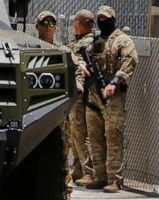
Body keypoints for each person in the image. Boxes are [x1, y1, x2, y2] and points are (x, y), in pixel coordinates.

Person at [84, 5, 138, 192]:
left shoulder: (122, 40)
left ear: (113, 19)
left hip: (112, 97)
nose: (102, 21)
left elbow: (129, 61)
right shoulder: (95, 41)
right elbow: (84, 59)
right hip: (93, 96)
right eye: (99, 18)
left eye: (106, 18)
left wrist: (114, 82)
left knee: (113, 137)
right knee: (94, 137)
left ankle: (114, 179)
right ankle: (99, 176)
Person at [36, 10, 74, 200]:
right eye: (45, 23)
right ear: (38, 26)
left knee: (63, 151)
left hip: (60, 111)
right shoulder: (30, 47)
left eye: (52, 23)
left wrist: (79, 87)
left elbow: (78, 71)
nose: (49, 26)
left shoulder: (64, 51)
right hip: (37, 109)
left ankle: (65, 194)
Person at [69, 10, 96, 185]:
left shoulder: (85, 44)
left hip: (81, 92)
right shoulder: (83, 42)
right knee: (76, 132)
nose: (73, 26)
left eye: (75, 23)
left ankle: (89, 171)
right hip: (80, 92)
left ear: (79, 23)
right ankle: (78, 169)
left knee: (79, 131)